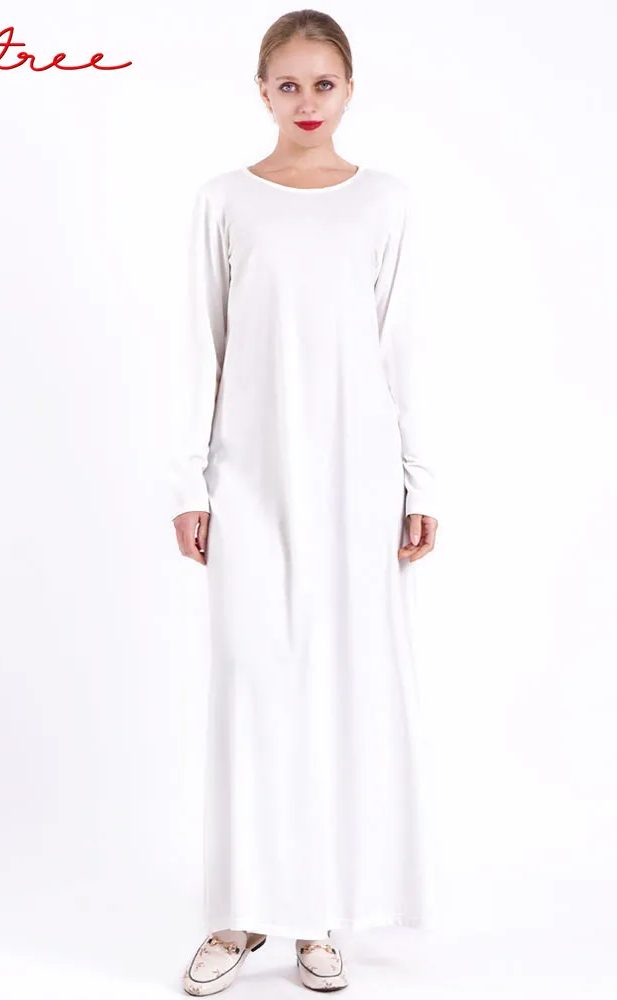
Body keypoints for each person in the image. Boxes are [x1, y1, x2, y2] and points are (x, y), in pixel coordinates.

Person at [170, 10, 440, 995]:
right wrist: (189, 481)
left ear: (350, 88)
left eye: (323, 84)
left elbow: (403, 346)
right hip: (247, 475)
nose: (307, 101)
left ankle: (318, 917)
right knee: (253, 685)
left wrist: (420, 479)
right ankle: (239, 913)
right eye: (288, 84)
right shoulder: (224, 201)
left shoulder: (384, 202)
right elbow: (199, 343)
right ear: (261, 91)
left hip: (356, 477)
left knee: (335, 688)